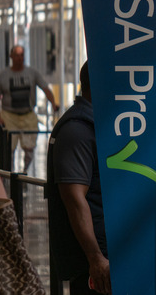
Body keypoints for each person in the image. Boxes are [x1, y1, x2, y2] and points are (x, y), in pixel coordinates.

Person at [46, 62, 111, 294]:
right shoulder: (77, 130)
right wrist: (96, 258)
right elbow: (74, 199)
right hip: (94, 260)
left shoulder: (99, 124)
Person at [0, 45, 58, 170]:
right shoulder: (3, 75)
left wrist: (53, 103)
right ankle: (10, 176)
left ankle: (24, 172)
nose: (19, 58)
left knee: (29, 149)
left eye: (22, 55)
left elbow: (45, 88)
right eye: (16, 55)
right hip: (9, 115)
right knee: (8, 149)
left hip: (28, 115)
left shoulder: (32, 73)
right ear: (11, 56)